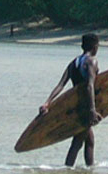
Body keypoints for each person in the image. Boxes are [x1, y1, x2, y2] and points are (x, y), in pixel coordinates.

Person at [39, 33, 103, 166]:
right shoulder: (92, 61)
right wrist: (92, 110)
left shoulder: (74, 63)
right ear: (95, 46)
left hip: (75, 106)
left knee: (89, 140)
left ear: (82, 46)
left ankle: (88, 172)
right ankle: (68, 171)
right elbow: (89, 86)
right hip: (85, 107)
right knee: (78, 142)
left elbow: (61, 85)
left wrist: (47, 102)